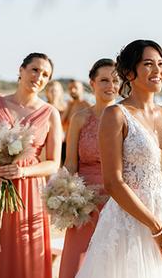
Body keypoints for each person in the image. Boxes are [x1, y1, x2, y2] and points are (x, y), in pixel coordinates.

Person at [76, 40, 162, 278]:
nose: (158, 70)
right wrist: (155, 227)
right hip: (132, 222)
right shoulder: (116, 115)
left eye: (161, 64)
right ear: (130, 72)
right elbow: (113, 182)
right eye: (149, 64)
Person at [0, 53, 63, 278]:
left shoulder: (50, 114)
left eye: (45, 74)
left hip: (28, 191)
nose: (39, 77)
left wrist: (23, 171)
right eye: (35, 70)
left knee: (23, 249)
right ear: (21, 70)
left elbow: (53, 163)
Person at [59, 58, 119, 278]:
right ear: (92, 83)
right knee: (76, 264)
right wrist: (65, 197)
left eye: (115, 80)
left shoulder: (128, 117)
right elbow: (70, 163)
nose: (110, 85)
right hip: (83, 203)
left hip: (117, 201)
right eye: (104, 80)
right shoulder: (80, 118)